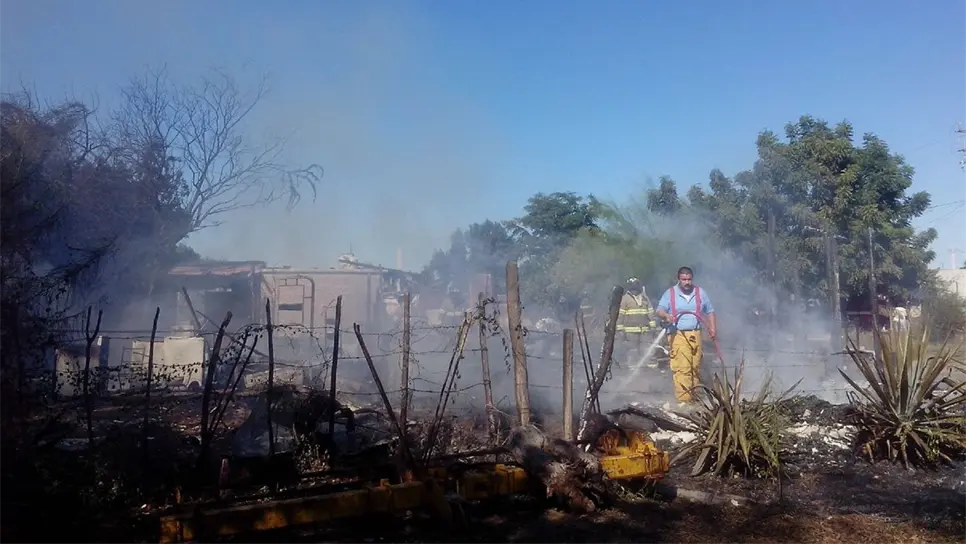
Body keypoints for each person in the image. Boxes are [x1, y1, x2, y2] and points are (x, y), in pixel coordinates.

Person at [655, 267, 717, 405]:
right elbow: (659, 310)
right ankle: (683, 401)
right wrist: (667, 316)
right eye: (684, 279)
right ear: (679, 279)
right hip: (678, 334)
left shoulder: (700, 292)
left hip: (696, 334)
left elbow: (710, 311)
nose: (687, 282)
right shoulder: (670, 293)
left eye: (689, 279)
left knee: (695, 367)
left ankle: (694, 399)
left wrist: (713, 329)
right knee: (683, 368)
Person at [616, 277, 659, 368]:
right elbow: (620, 315)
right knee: (632, 350)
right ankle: (633, 367)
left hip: (645, 329)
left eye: (636, 289)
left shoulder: (644, 298)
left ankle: (652, 366)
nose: (634, 291)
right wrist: (620, 330)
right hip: (630, 331)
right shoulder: (624, 299)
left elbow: (650, 312)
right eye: (632, 289)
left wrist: (653, 326)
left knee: (647, 348)